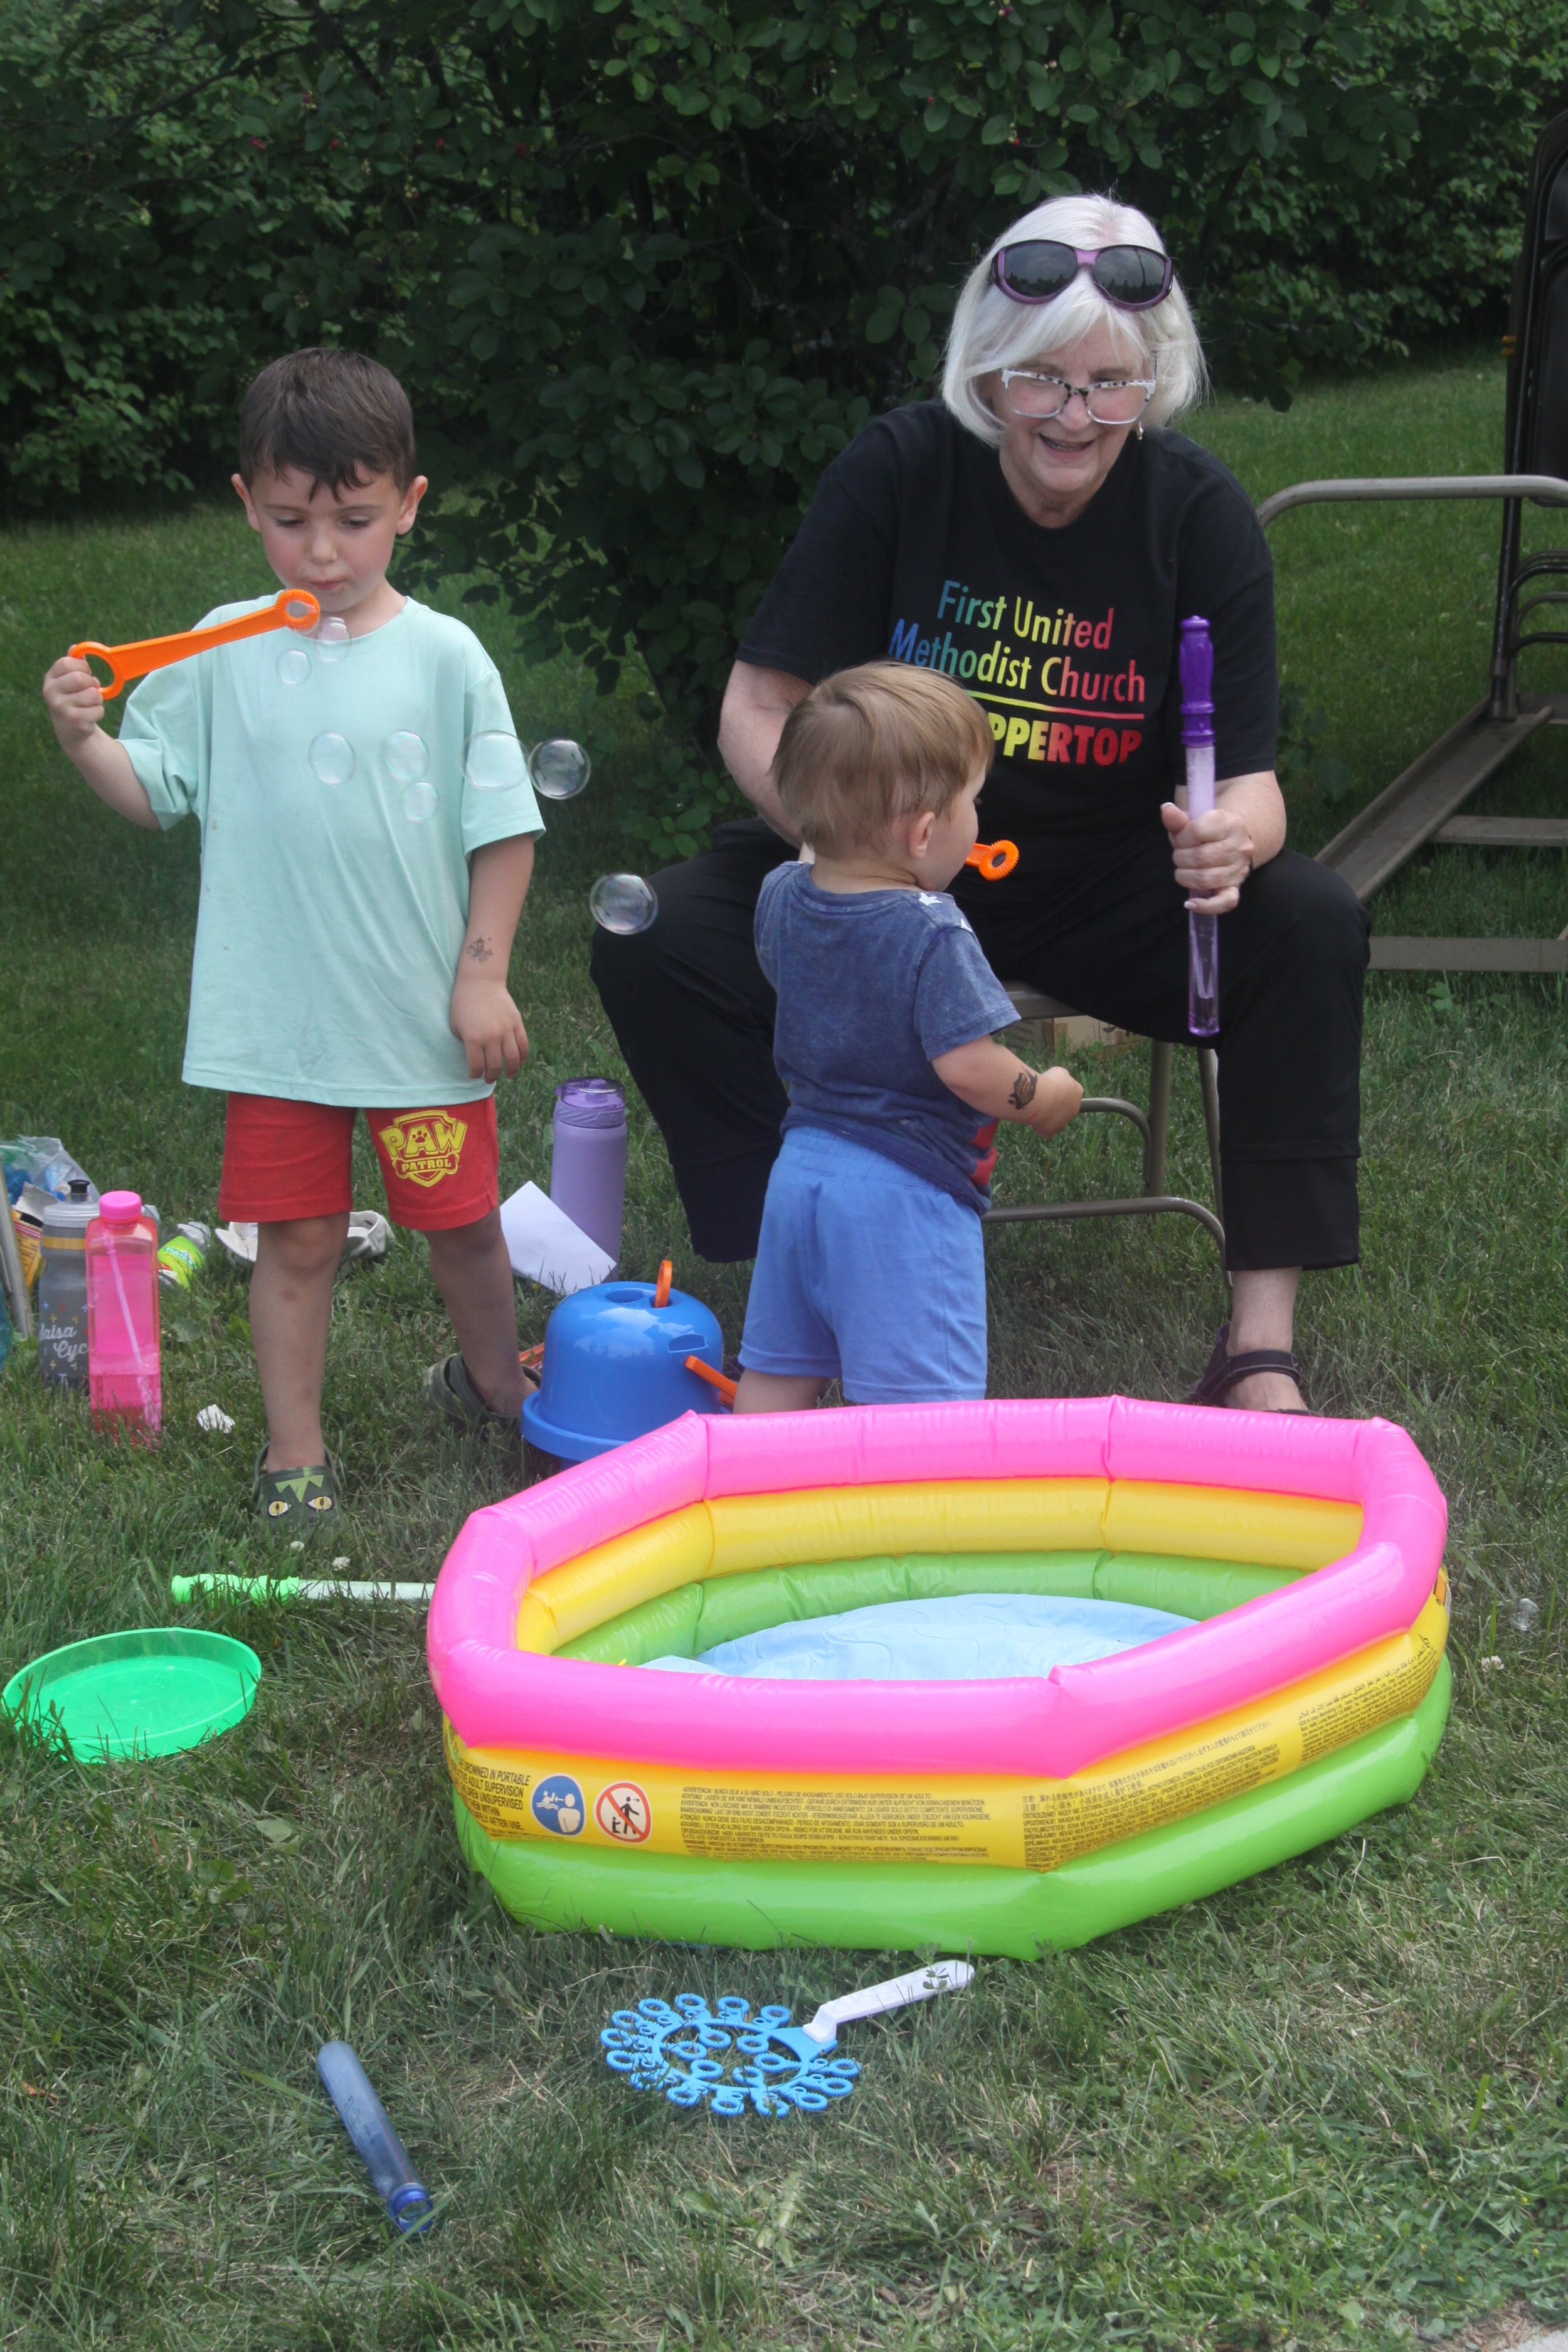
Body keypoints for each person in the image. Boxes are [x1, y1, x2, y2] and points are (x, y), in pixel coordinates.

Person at [593, 192, 1370, 1414]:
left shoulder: (1197, 516)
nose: (1071, 415)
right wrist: (838, 846)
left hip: (1098, 877)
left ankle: (1256, 1342)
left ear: (1149, 380)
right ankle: (796, 1274)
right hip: (881, 863)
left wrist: (1235, 840)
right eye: (1039, 380)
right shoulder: (902, 469)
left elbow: (1254, 783)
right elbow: (757, 704)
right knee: (662, 938)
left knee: (1307, 920)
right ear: (987, 371)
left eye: (1106, 383)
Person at [41, 349, 543, 1535]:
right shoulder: (216, 648)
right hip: (278, 1031)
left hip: (420, 1026)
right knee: (299, 1239)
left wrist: (483, 981)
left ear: (410, 507)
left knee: (464, 1226)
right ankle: (295, 1453)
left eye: (356, 521)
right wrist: (83, 745)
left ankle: (500, 1392)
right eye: (289, 521)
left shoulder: (445, 656)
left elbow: (505, 828)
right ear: (244, 503)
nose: (322, 552)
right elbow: (156, 790)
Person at [733, 663, 1082, 1413]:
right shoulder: (932, 933)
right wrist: (1041, 1094)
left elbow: (813, 858)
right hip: (903, 1193)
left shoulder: (781, 897)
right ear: (925, 832)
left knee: (776, 1374)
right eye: (973, 803)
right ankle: (914, 1532)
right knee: (922, 1417)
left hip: (800, 1175)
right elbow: (966, 1066)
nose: (977, 820)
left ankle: (745, 1507)